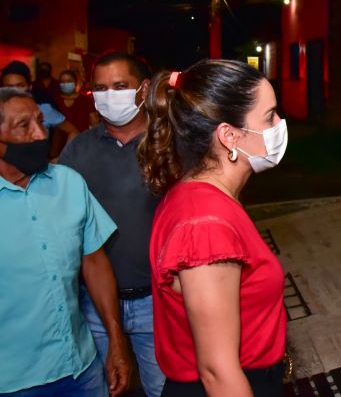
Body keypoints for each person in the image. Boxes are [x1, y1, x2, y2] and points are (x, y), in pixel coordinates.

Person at [138, 59, 288, 396]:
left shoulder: (202, 195)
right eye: (269, 117)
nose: (280, 124)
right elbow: (217, 372)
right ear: (229, 135)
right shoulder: (204, 225)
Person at [0, 87, 132, 396]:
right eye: (24, 126)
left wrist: (116, 341)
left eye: (40, 121)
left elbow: (94, 261)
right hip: (12, 382)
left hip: (80, 368)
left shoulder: (68, 183)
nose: (39, 135)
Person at [59, 51, 166, 396]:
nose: (109, 96)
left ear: (144, 88)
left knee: (163, 389)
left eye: (120, 86)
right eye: (101, 88)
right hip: (94, 306)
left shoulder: (168, 145)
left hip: (159, 302)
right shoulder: (77, 151)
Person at [2, 61, 79, 155]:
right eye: (8, 88)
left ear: (29, 86)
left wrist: (61, 158)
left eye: (20, 86)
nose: (15, 92)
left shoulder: (43, 109)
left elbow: (73, 131)